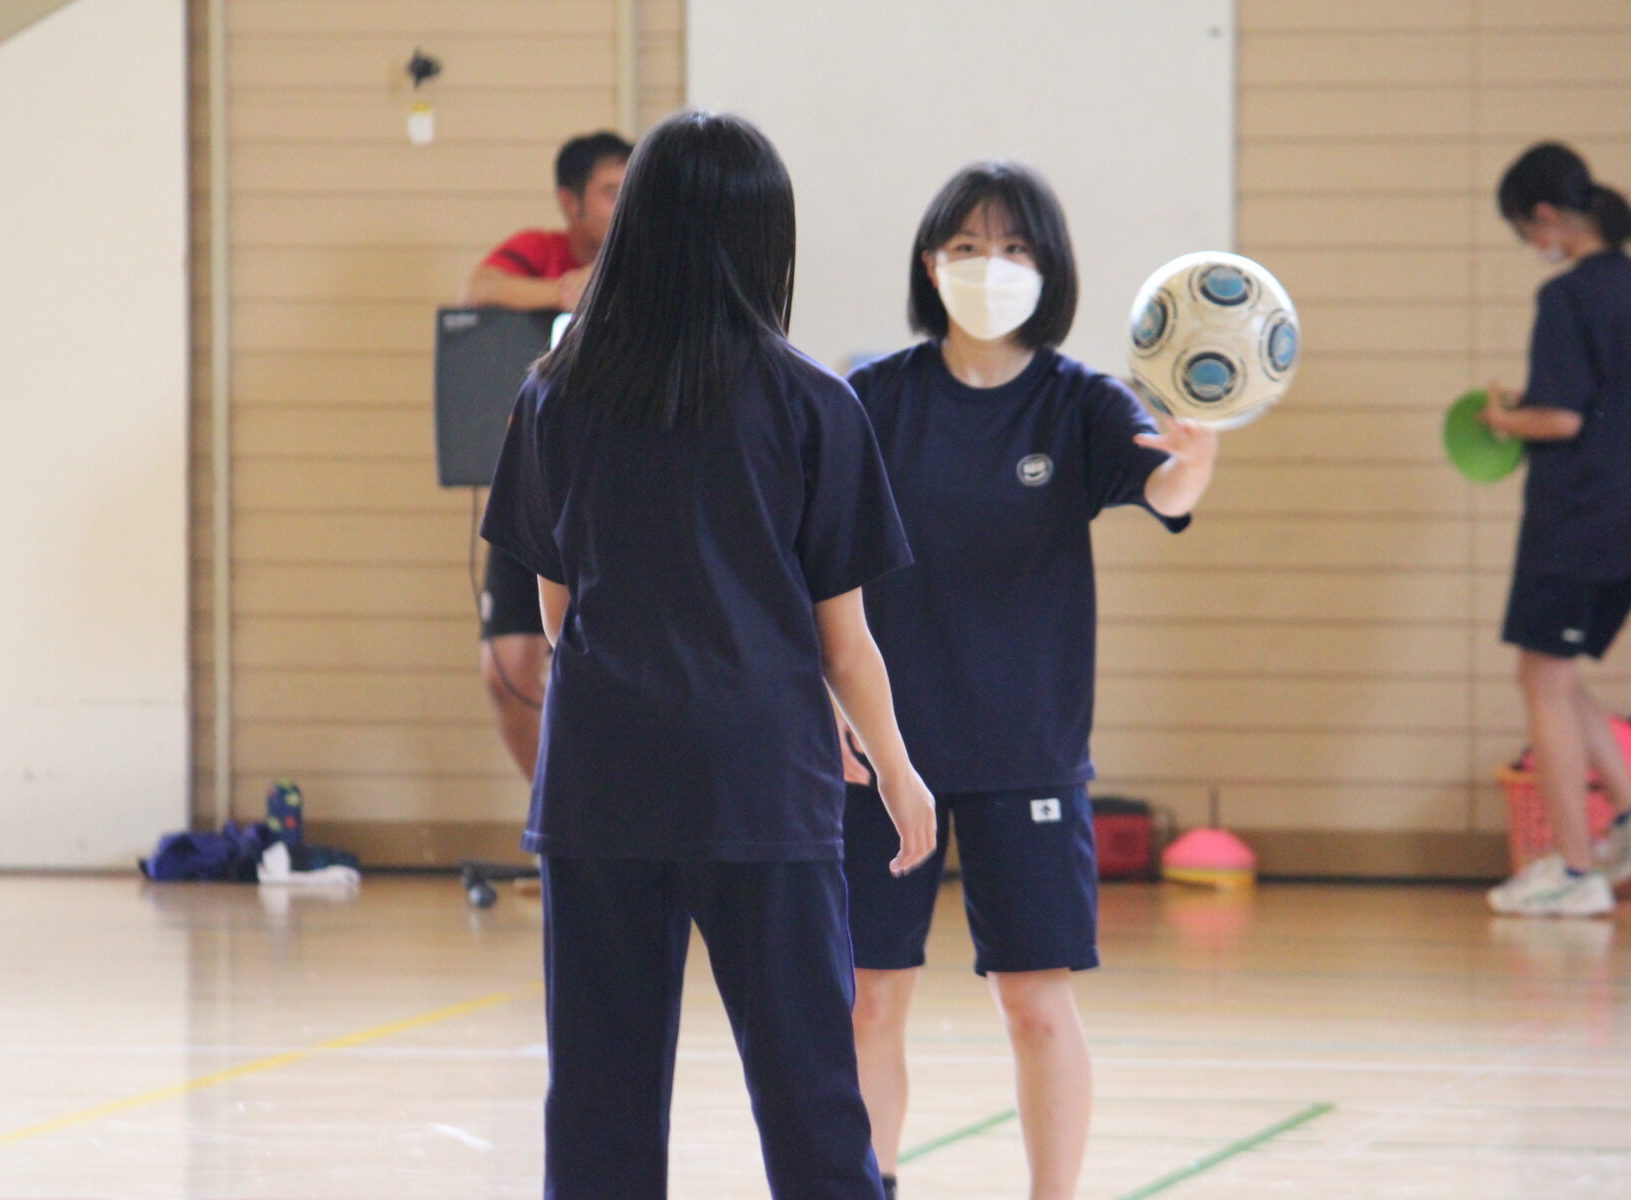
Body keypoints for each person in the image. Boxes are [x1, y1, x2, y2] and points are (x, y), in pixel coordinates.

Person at [482, 109, 938, 1199]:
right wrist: (900, 768)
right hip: (759, 784)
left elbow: (556, 613)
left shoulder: (555, 395)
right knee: (811, 1096)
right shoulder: (812, 405)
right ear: (761, 241)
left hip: (601, 783)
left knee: (598, 1102)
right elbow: (847, 642)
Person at [841, 163, 1215, 1200]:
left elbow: (1166, 488)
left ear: (1047, 271)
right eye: (967, 247)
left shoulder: (1081, 404)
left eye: (1014, 249)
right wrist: (830, 707)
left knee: (1037, 1003)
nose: (990, 267)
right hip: (885, 756)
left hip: (1027, 753)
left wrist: (1199, 456)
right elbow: (810, 568)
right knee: (871, 998)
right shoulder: (871, 399)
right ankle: (868, 1185)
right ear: (930, 264)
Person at [1482, 142, 1631, 917]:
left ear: (1544, 217)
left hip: (1579, 517)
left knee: (1543, 681)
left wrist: (1503, 418)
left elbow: (1560, 416)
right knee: (1552, 675)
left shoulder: (1568, 297)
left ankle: (1571, 869)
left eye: (1521, 229)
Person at [463, 130, 632, 781]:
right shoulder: (542, 252)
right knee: (506, 670)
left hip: (614, 495)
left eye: (631, 192)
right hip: (535, 486)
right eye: (609, 193)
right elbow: (480, 284)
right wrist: (564, 290)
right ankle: (553, 820)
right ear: (571, 201)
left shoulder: (649, 262)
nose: (623, 207)